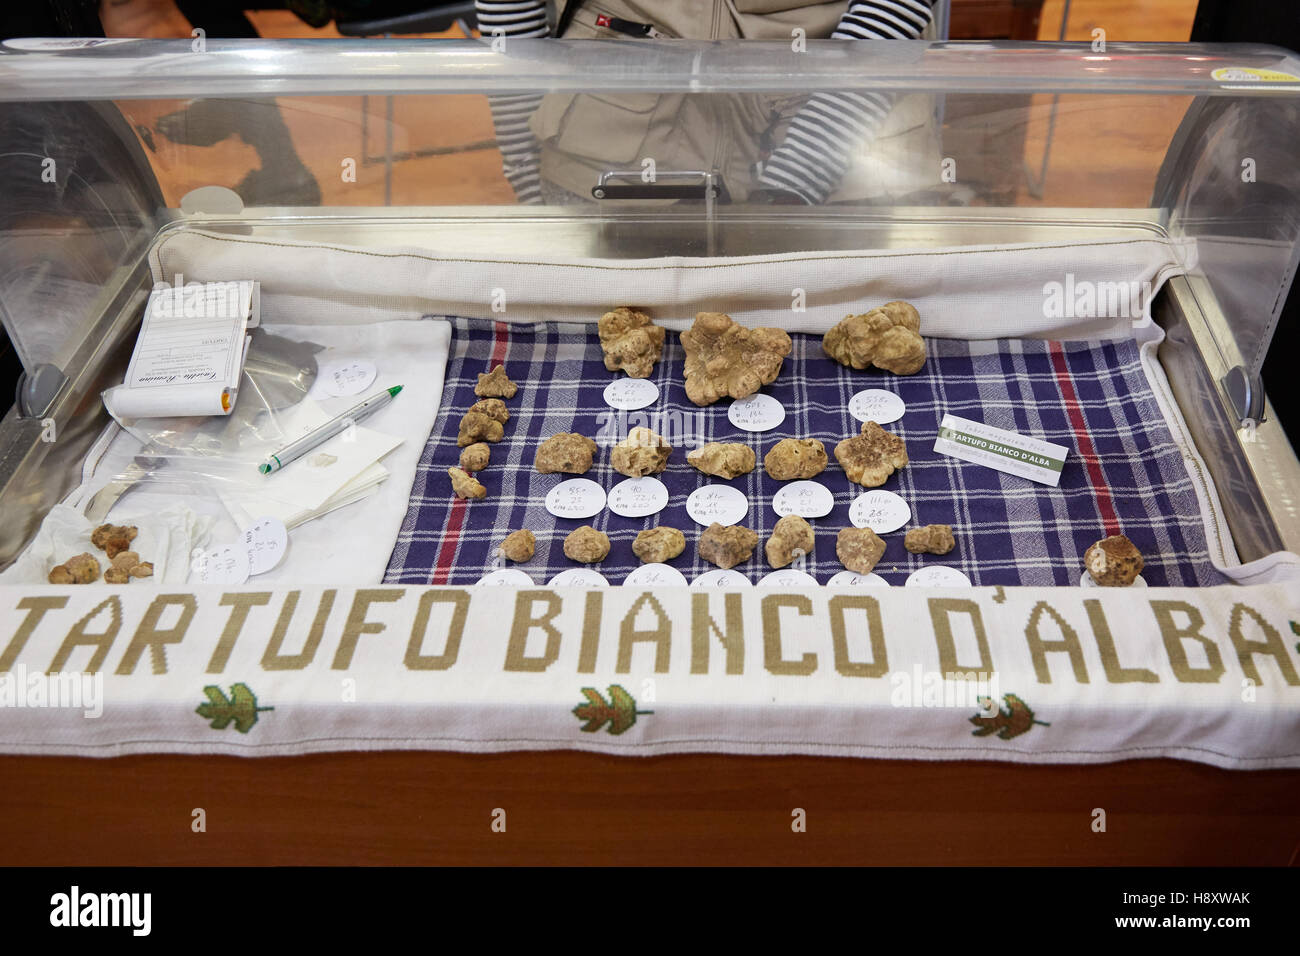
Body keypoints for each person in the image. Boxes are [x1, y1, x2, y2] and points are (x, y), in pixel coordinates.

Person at [475, 0, 939, 205]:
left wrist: (812, 158)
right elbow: (510, 13)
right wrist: (525, 172)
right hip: (605, 152)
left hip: (856, 151)